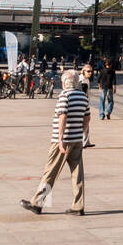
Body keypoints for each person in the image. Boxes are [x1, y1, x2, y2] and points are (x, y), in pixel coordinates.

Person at [21, 71, 89, 216]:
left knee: (50, 171)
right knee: (77, 174)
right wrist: (79, 132)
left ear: (65, 82)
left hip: (63, 142)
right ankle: (78, 206)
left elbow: (62, 117)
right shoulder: (83, 96)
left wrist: (60, 139)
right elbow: (87, 118)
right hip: (76, 140)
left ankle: (37, 203)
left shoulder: (65, 95)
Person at [78, 63, 94, 146]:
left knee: (86, 123)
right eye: (88, 71)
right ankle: (82, 142)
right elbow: (83, 94)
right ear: (83, 71)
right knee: (84, 123)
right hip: (82, 104)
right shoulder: (82, 80)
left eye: (91, 71)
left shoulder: (86, 79)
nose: (90, 73)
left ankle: (86, 141)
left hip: (85, 103)